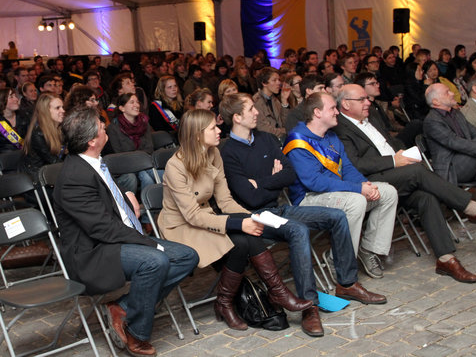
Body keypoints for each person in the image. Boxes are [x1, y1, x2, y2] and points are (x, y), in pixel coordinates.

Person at [219, 93, 386, 336]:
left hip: (280, 209)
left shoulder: (265, 139)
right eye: (251, 109)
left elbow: (290, 175)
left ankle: (347, 284)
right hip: (256, 215)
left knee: (336, 216)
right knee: (298, 230)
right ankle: (310, 307)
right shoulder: (228, 152)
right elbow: (250, 198)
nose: (256, 112)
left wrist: (262, 181)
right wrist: (273, 179)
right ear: (236, 117)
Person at [53, 107, 198, 356]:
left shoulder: (96, 163)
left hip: (118, 239)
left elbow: (108, 211)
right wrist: (149, 243)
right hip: (94, 253)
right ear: (91, 140)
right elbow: (101, 228)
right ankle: (137, 332)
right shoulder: (73, 177)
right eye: (100, 125)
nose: (105, 126)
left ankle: (123, 307)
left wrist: (126, 202)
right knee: (155, 261)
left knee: (187, 256)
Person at [158, 109, 312, 331]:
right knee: (239, 241)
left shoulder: (213, 154)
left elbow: (225, 201)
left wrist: (252, 217)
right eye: (213, 128)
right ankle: (238, 301)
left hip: (206, 217)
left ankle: (255, 297)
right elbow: (191, 215)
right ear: (197, 134)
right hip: (181, 225)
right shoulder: (176, 166)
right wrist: (240, 223)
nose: (219, 130)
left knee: (245, 237)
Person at [334, 84, 476, 283]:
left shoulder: (371, 118)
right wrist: (394, 161)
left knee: (426, 197)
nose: (368, 102)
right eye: (362, 99)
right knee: (418, 173)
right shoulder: (340, 128)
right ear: (346, 104)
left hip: (398, 175)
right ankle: (470, 207)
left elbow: (391, 143)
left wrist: (403, 153)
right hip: (373, 181)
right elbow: (356, 164)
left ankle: (446, 259)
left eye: (367, 98)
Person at [284, 92, 398, 279]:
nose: (337, 112)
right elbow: (315, 182)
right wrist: (357, 189)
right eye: (332, 108)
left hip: (337, 193)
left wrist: (364, 183)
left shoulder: (331, 136)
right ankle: (340, 259)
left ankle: (369, 249)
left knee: (387, 192)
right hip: (307, 200)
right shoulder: (297, 141)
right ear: (317, 112)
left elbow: (347, 168)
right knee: (356, 202)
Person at [424, 83, 476, 185]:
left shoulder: (456, 113)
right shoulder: (432, 121)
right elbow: (454, 142)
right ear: (436, 101)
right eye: (447, 92)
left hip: (470, 158)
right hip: (452, 168)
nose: (452, 93)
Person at [106, 92, 156, 194]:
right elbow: (119, 153)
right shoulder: (113, 128)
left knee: (161, 174)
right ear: (122, 108)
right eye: (132, 102)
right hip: (126, 166)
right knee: (146, 178)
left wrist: (137, 156)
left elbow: (150, 148)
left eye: (137, 102)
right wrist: (138, 156)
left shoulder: (144, 123)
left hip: (144, 163)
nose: (136, 105)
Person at [22, 92, 65, 184]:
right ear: (45, 111)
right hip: (36, 181)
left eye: (62, 107)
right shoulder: (37, 133)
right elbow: (54, 161)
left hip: (50, 174)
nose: (63, 111)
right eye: (57, 108)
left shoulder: (60, 128)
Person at [253, 67, 291, 140]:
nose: (279, 83)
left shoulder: (275, 100)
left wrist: (284, 101)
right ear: (264, 83)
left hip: (279, 139)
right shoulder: (256, 101)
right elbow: (263, 129)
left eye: (279, 80)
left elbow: (285, 123)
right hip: (267, 141)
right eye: (274, 80)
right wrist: (285, 131)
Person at [0, 87, 30, 153]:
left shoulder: (25, 116)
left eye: (15, 96)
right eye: (11, 97)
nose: (16, 99)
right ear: (2, 100)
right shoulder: (0, 124)